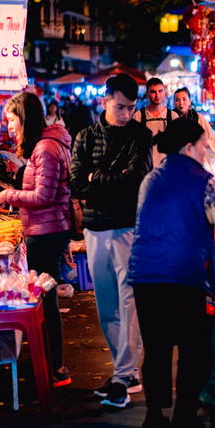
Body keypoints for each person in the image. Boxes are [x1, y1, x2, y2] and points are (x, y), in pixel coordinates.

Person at [128, 117, 215, 428]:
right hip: (182, 273)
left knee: (156, 347)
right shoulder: (203, 180)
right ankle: (184, 417)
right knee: (193, 347)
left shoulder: (150, 179)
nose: (206, 151)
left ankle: (153, 416)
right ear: (189, 147)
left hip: (145, 274)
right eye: (204, 145)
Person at [70, 74, 153, 408]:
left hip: (127, 226)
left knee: (129, 301)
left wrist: (96, 177)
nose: (126, 114)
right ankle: (126, 372)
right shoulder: (85, 137)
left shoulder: (140, 135)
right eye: (120, 107)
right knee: (106, 305)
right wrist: (107, 179)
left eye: (131, 108)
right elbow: (77, 183)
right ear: (105, 100)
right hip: (95, 228)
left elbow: (134, 180)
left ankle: (123, 375)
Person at [0, 91, 74, 387]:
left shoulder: (46, 149)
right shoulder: (47, 145)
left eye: (12, 119)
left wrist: (8, 195)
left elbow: (44, 195)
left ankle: (55, 368)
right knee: (44, 299)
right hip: (46, 230)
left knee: (45, 301)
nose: (9, 126)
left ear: (25, 118)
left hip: (47, 232)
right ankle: (50, 364)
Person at [173, 87, 215, 178]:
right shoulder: (171, 116)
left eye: (184, 99)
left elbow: (210, 138)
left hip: (196, 159)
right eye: (177, 100)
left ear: (190, 101)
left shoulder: (197, 117)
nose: (181, 103)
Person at [138, 77, 179, 167]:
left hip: (168, 168)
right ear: (147, 94)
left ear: (164, 92)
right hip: (144, 168)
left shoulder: (173, 116)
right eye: (153, 92)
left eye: (160, 91)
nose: (157, 95)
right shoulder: (138, 116)